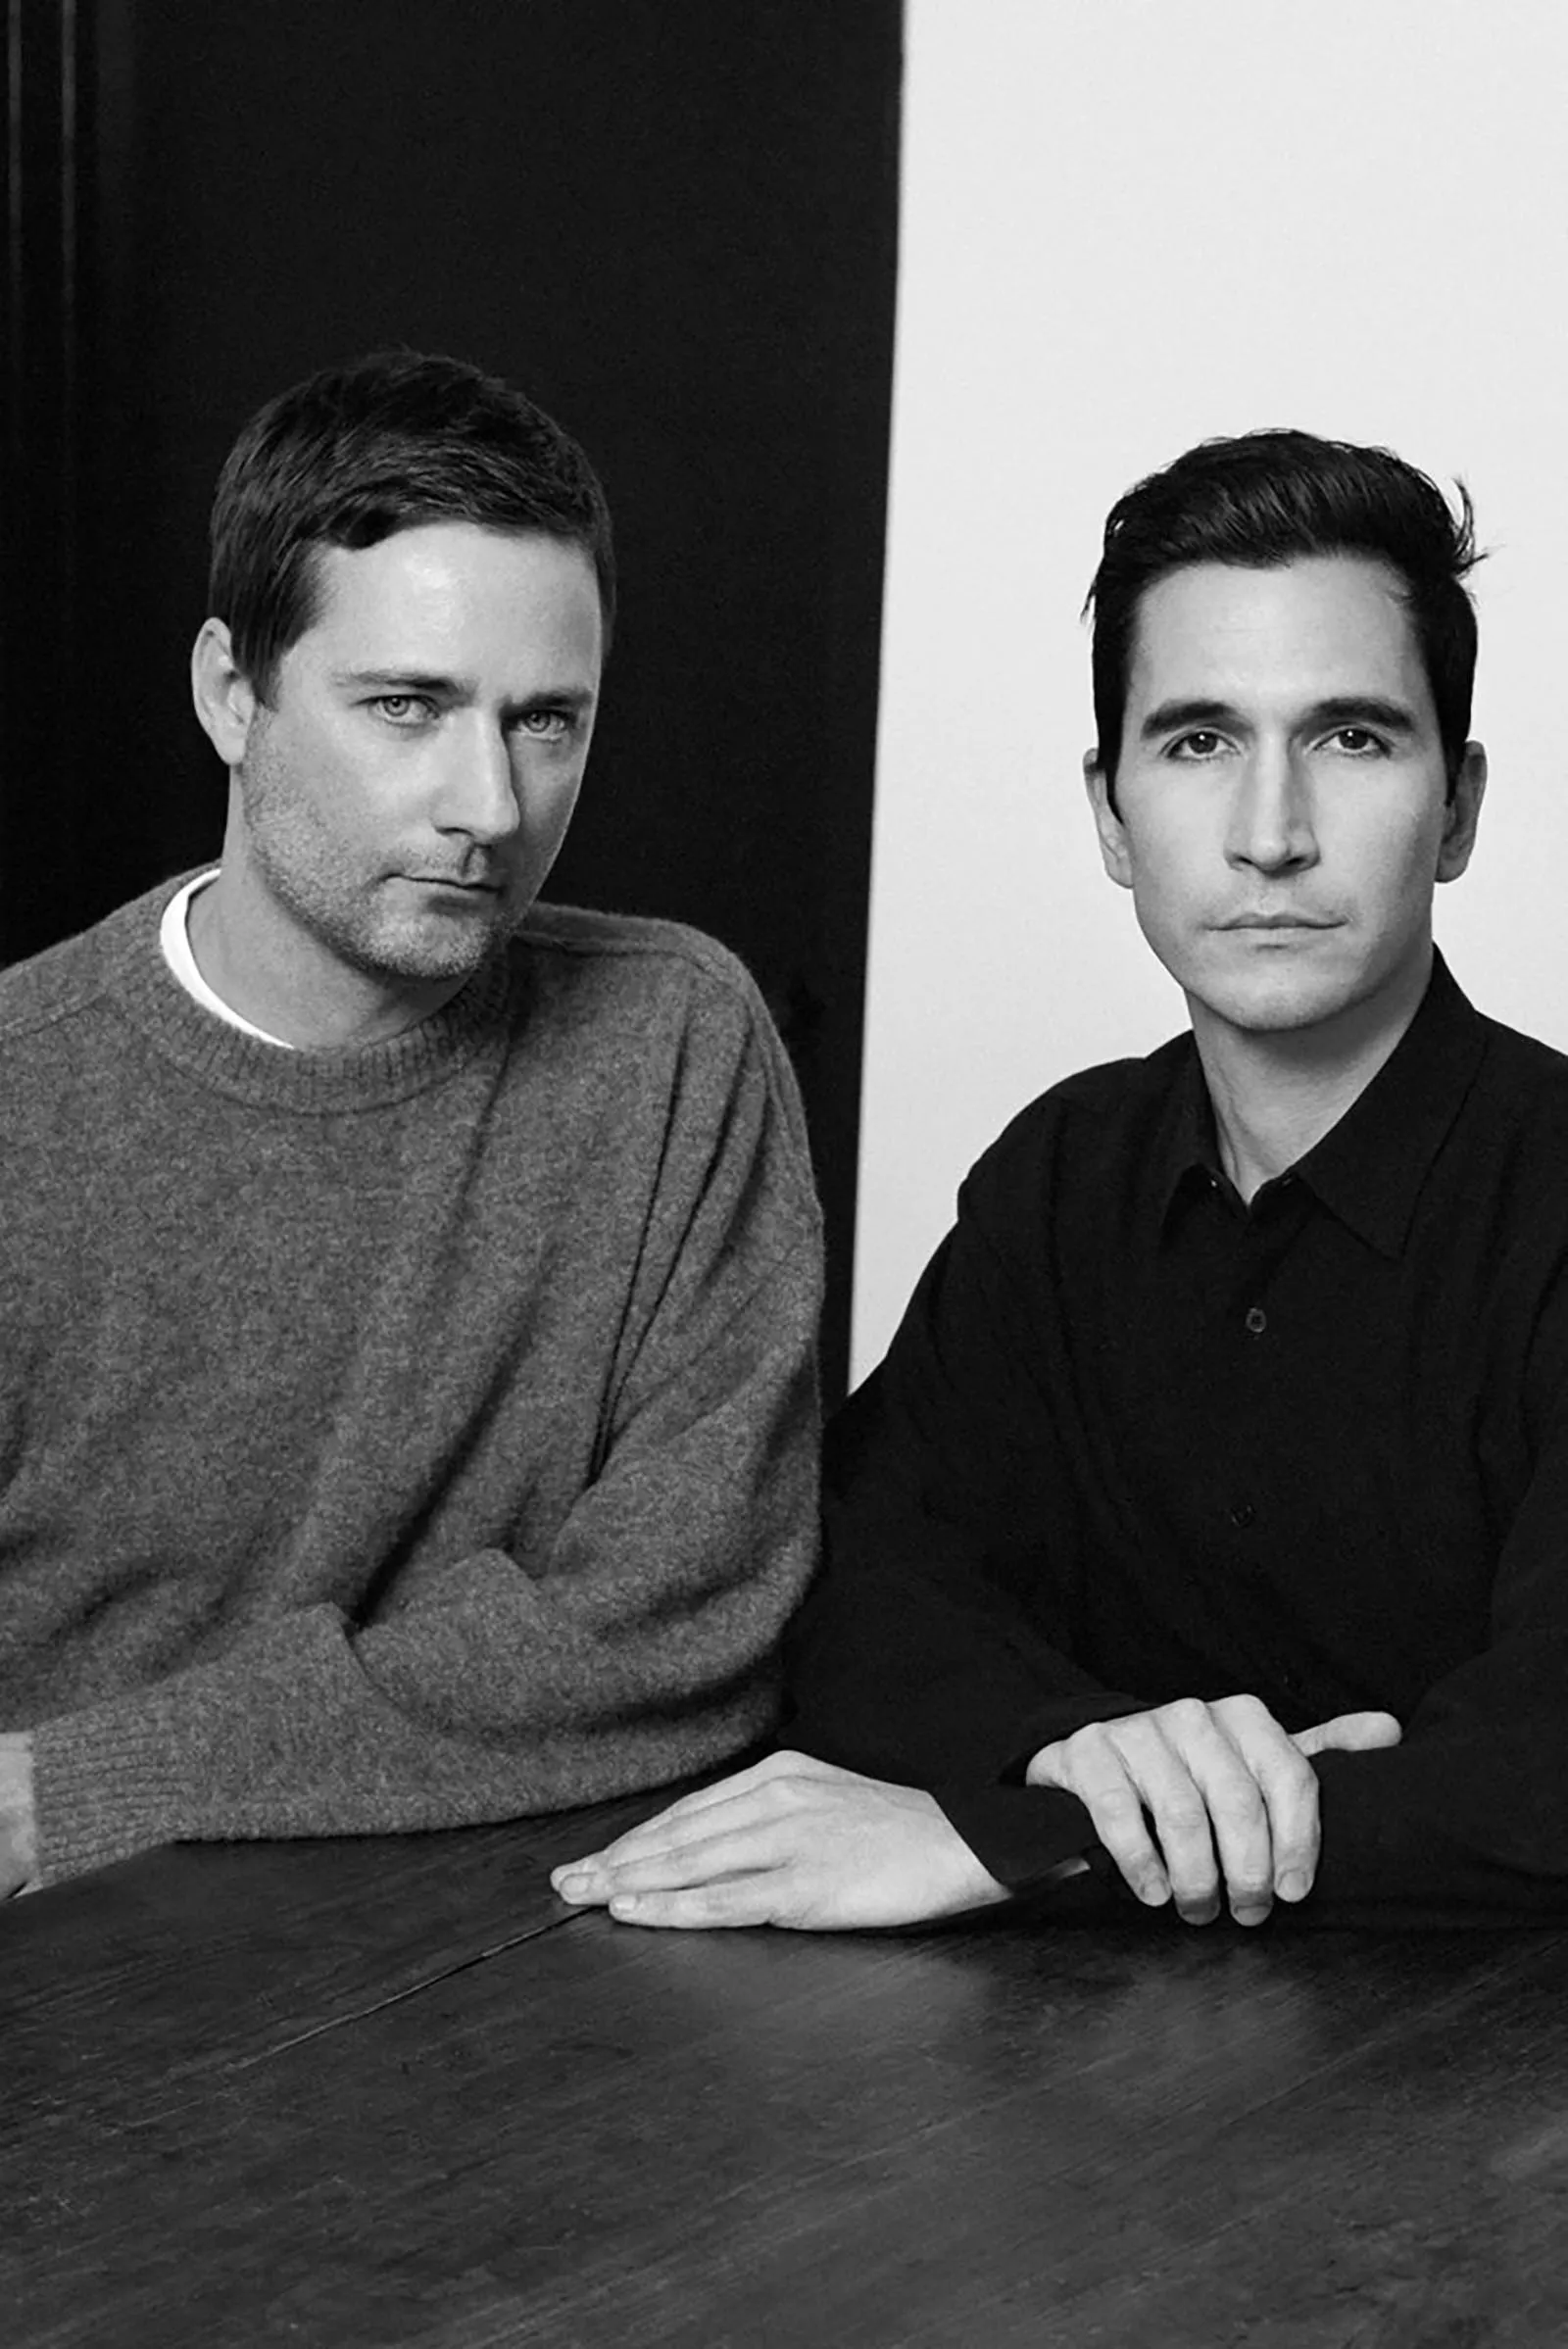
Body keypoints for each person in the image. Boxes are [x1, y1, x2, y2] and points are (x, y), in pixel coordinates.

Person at [556, 425, 1568, 1935]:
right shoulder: (1062, 1177)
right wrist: (1075, 1750)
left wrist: (1029, 1839)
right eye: (1199, 742)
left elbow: (1545, 1779)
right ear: (1110, 814)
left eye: (1352, 738)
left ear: (1461, 807)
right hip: (1082, 2056)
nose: (1271, 834)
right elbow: (855, 1583)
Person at [0, 351, 821, 1892]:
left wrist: (83, 1783)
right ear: (230, 694)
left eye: (546, 722)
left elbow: (691, 1627)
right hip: (74, 1978)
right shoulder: (23, 1102)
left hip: (527, 1952)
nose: (490, 807)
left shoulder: (674, 1042)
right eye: (408, 707)